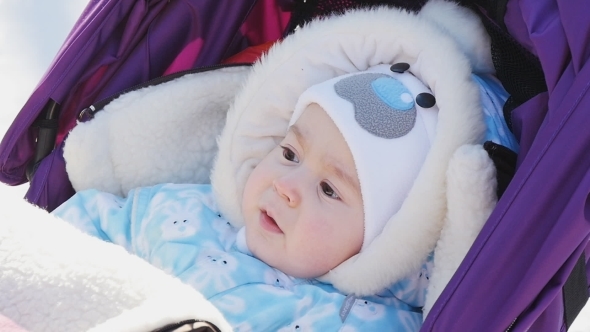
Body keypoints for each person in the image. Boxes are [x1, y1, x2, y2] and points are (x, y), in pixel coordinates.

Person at [52, 64, 514, 331]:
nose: (286, 186)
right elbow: (83, 229)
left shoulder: (369, 323)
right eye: (290, 153)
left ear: (395, 242)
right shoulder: (190, 214)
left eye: (330, 189)